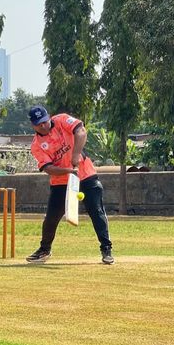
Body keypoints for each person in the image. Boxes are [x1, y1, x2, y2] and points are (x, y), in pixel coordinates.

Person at [26, 105, 114, 265]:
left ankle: (106, 249)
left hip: (86, 174)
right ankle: (44, 250)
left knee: (96, 211)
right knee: (51, 219)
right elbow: (48, 169)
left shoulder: (61, 120)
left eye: (45, 121)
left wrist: (75, 154)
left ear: (49, 117)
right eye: (39, 124)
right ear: (33, 125)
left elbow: (81, 131)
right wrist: (68, 170)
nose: (44, 126)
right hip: (60, 182)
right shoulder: (36, 145)